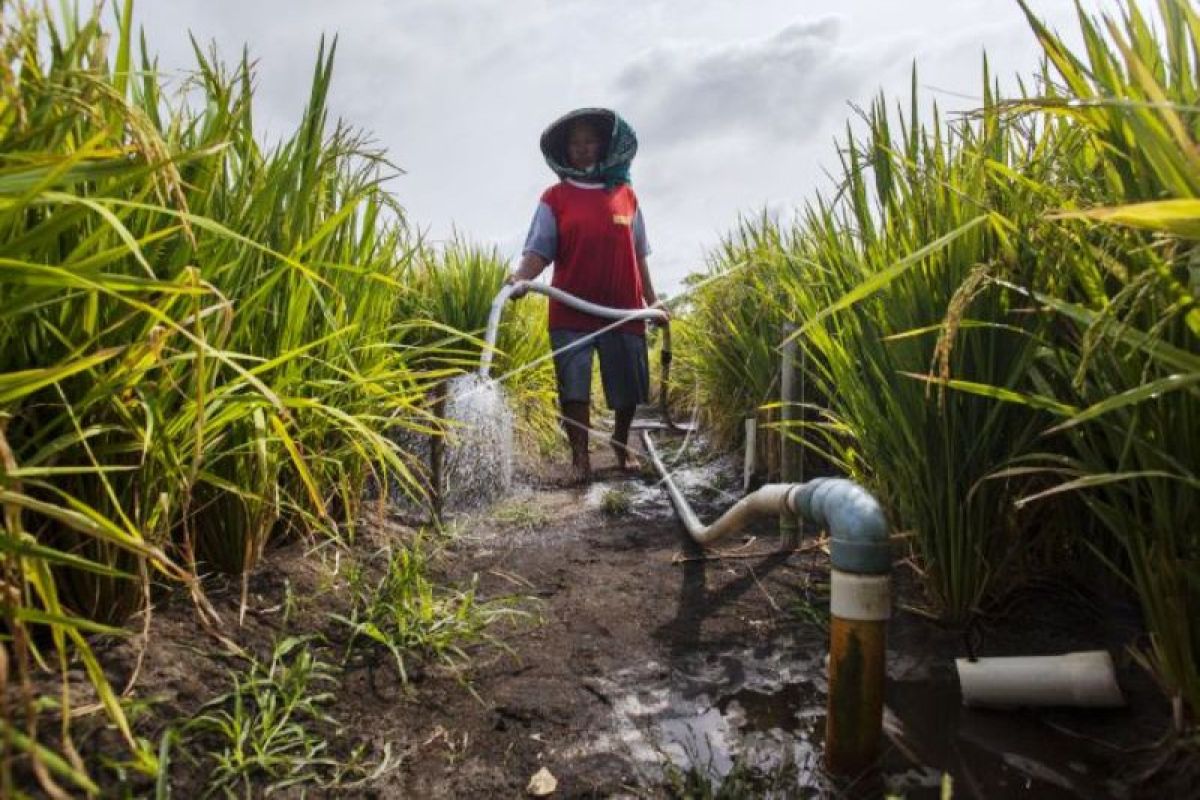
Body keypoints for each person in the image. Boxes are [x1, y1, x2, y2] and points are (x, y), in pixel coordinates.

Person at [505, 108, 665, 484]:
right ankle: (580, 458)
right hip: (571, 309)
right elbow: (539, 250)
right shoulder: (555, 197)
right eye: (574, 143)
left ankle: (622, 444)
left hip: (622, 308)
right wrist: (519, 279)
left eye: (589, 141)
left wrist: (652, 302)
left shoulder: (626, 195)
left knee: (627, 386)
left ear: (604, 145)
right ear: (565, 150)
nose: (582, 148)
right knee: (573, 385)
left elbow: (639, 253)